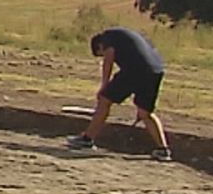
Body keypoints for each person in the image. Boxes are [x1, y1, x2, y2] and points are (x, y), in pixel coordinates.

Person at [67, 27, 172, 160]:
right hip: (156, 71)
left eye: (101, 54)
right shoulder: (132, 35)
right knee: (145, 113)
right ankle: (163, 150)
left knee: (104, 99)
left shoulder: (108, 36)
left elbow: (109, 58)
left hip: (135, 69)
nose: (103, 55)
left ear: (100, 46)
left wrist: (104, 85)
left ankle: (87, 139)